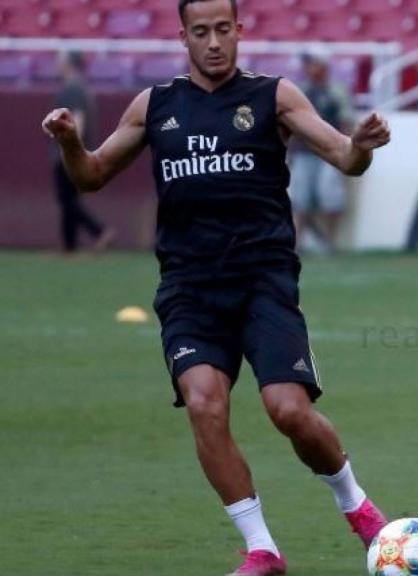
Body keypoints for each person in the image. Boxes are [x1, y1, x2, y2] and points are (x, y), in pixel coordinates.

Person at [41, 1, 391, 574]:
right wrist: (70, 143)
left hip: (263, 281)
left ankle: (357, 507)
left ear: (239, 31)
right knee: (205, 404)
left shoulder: (274, 96)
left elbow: (342, 158)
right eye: (200, 32)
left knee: (289, 412)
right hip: (189, 287)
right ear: (183, 36)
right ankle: (262, 548)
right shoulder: (156, 106)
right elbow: (92, 175)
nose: (213, 43)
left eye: (223, 30)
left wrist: (361, 144)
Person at [289, 45, 354, 255]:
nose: (308, 67)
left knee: (330, 197)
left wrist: (346, 150)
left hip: (329, 152)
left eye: (312, 63)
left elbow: (346, 121)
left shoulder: (336, 91)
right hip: (304, 150)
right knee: (300, 198)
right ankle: (299, 242)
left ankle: (329, 241)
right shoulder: (301, 90)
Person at [51, 50, 115, 254]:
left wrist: (69, 147)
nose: (56, 64)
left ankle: (99, 231)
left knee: (67, 200)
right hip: (73, 151)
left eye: (60, 61)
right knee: (68, 201)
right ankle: (69, 247)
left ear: (70, 64)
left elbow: (77, 119)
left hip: (68, 153)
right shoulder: (82, 88)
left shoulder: (73, 89)